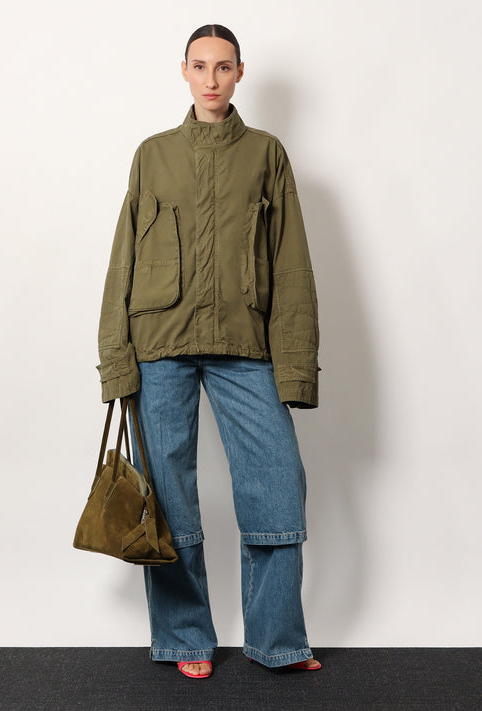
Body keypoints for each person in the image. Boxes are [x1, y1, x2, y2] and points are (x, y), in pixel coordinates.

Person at [95, 24, 321, 678]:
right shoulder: (152, 154)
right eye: (200, 66)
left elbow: (291, 262)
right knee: (167, 498)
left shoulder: (266, 153)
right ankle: (184, 636)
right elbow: (123, 259)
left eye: (224, 67)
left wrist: (294, 366)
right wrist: (116, 358)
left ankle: (276, 640)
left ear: (240, 73)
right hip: (158, 343)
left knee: (278, 483)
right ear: (185, 71)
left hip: (243, 343)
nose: (212, 79)